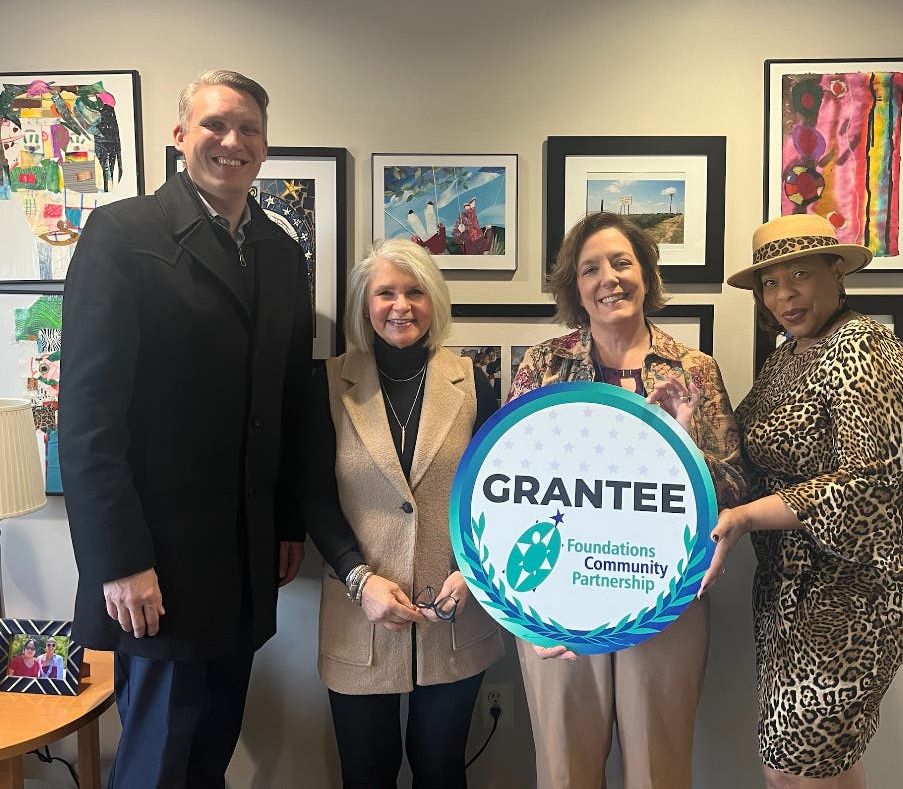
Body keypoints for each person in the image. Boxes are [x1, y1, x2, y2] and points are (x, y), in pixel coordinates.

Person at [60, 69, 313, 789]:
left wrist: (288, 522)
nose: (233, 141)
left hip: (244, 563)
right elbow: (86, 420)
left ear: (265, 146)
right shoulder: (122, 235)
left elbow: (289, 398)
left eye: (250, 129)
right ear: (180, 137)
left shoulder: (278, 251)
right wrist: (119, 560)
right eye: (215, 125)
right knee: (159, 763)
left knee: (209, 752)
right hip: (155, 568)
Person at [507, 211, 745, 789]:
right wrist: (521, 607)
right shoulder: (545, 365)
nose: (609, 278)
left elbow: (736, 486)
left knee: (658, 767)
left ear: (646, 273)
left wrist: (681, 442)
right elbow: (507, 485)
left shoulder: (693, 369)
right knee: (565, 767)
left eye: (622, 262)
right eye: (591, 268)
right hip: (559, 595)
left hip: (664, 594)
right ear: (575, 287)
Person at [703, 214, 903, 789]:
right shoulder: (790, 355)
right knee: (823, 762)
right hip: (788, 583)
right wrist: (685, 418)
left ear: (837, 272)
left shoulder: (863, 347)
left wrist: (750, 516)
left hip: (856, 582)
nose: (783, 295)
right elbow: (755, 456)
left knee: (794, 766)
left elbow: (873, 479)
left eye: (799, 275)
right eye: (770, 283)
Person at [307, 238, 504, 787]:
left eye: (416, 291)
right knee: (366, 773)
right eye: (386, 292)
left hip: (455, 610)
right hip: (358, 609)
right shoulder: (326, 384)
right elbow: (314, 495)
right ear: (363, 305)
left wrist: (472, 573)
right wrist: (357, 578)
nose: (402, 305)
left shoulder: (472, 382)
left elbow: (495, 494)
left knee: (441, 769)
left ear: (434, 300)